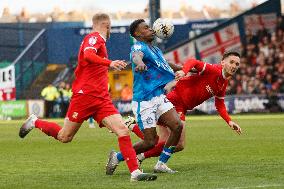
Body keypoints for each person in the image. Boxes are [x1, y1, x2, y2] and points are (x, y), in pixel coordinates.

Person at [18, 13, 156, 182]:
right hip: (85, 96)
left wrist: (108, 65)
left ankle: (135, 173)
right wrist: (110, 63)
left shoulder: (100, 42)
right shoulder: (94, 37)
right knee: (64, 137)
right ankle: (35, 122)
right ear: (107, 25)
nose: (111, 29)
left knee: (122, 130)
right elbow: (87, 55)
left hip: (101, 98)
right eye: (110, 26)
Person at [125, 52, 243, 169]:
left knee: (160, 141)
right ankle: (152, 161)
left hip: (182, 106)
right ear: (223, 62)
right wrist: (183, 71)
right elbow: (193, 61)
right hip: (176, 101)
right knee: (179, 143)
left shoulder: (223, 82)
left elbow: (220, 104)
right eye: (231, 62)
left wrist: (229, 121)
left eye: (237, 64)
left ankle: (133, 131)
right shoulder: (213, 70)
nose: (234, 66)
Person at [106, 19, 183, 175]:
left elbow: (166, 65)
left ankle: (161, 163)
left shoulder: (155, 50)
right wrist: (139, 62)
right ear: (137, 33)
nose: (151, 30)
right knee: (150, 142)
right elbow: (136, 56)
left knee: (177, 126)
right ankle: (118, 156)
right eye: (146, 28)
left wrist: (185, 68)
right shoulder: (138, 46)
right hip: (144, 100)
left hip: (159, 96)